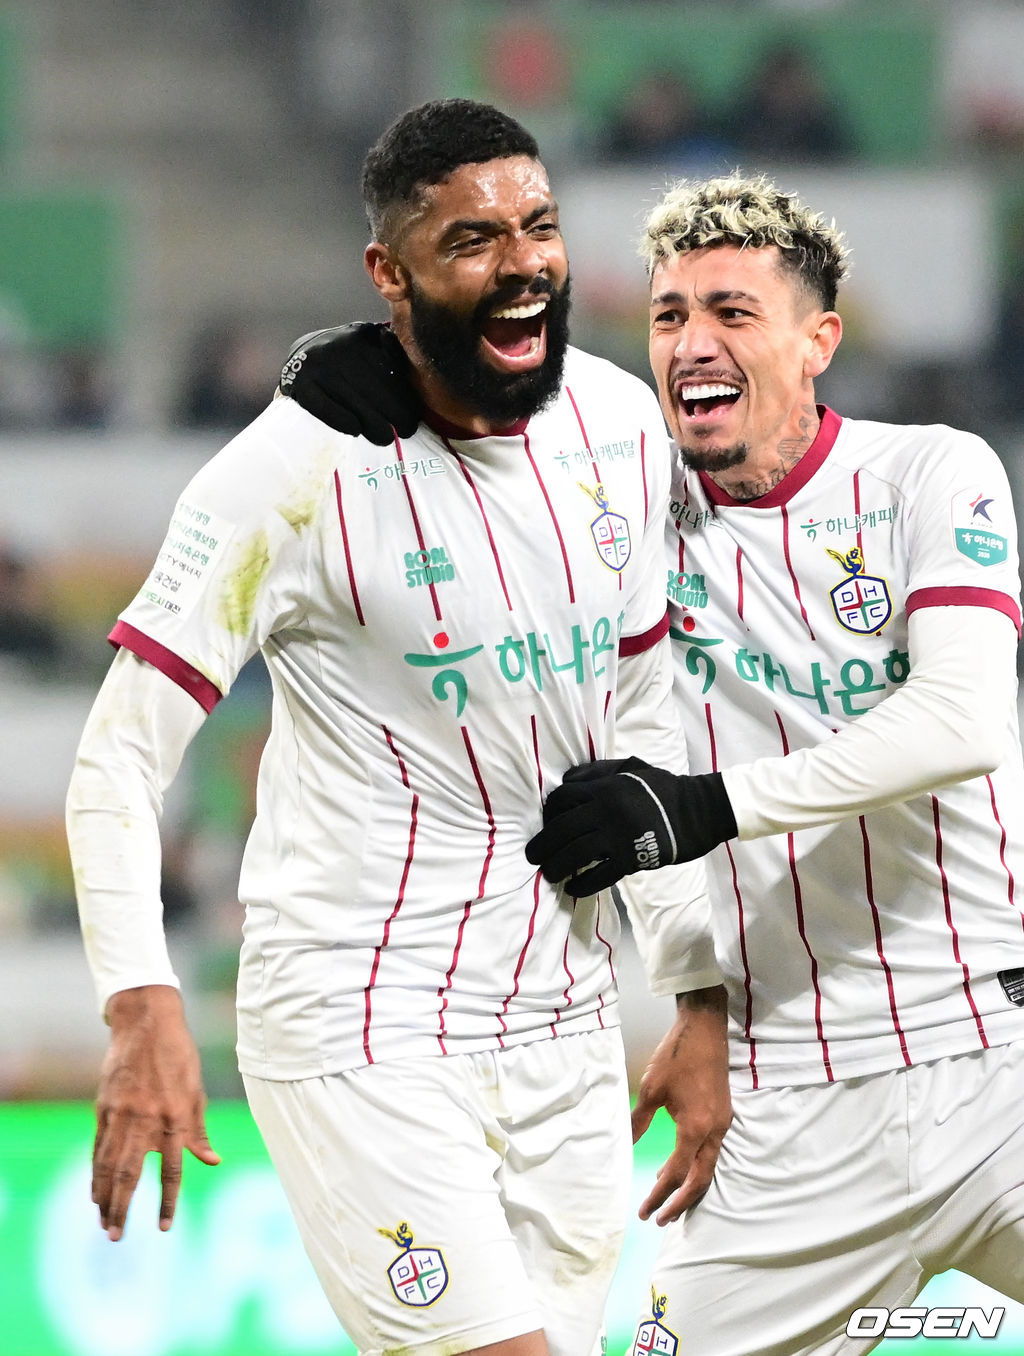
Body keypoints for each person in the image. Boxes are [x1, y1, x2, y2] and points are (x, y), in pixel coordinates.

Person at [283, 175, 1024, 1353]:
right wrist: (360, 375)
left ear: (818, 340)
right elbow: (483, 420)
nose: (693, 342)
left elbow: (962, 719)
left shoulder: (929, 474)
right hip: (787, 1106)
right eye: (670, 315)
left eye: (732, 311)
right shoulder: (618, 507)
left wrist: (705, 809)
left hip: (992, 1058)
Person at [65, 100, 728, 1356]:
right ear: (390, 272)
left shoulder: (620, 424)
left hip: (563, 1022)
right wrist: (138, 1000)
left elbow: (646, 722)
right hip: (362, 1017)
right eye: (470, 240)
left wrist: (694, 990)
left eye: (537, 226)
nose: (521, 263)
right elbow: (117, 758)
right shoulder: (287, 471)